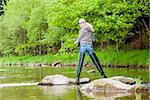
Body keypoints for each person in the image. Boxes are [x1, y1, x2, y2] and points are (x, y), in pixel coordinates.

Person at [74, 19, 107, 84]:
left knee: (80, 62)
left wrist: (76, 42)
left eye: (80, 23)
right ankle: (103, 75)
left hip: (83, 46)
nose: (79, 25)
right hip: (89, 46)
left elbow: (80, 37)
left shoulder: (83, 29)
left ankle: (77, 78)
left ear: (83, 23)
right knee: (96, 61)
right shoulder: (90, 29)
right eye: (79, 24)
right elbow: (93, 38)